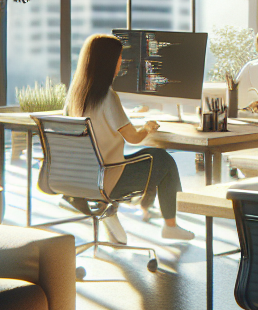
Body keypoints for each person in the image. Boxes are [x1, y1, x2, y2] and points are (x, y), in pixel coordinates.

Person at [63, 34, 194, 243]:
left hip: (82, 177)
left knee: (149, 156)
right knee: (163, 159)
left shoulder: (76, 94)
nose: (122, 62)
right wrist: (147, 127)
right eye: (119, 57)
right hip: (108, 179)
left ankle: (112, 208)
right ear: (108, 61)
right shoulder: (107, 96)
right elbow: (133, 137)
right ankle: (170, 225)